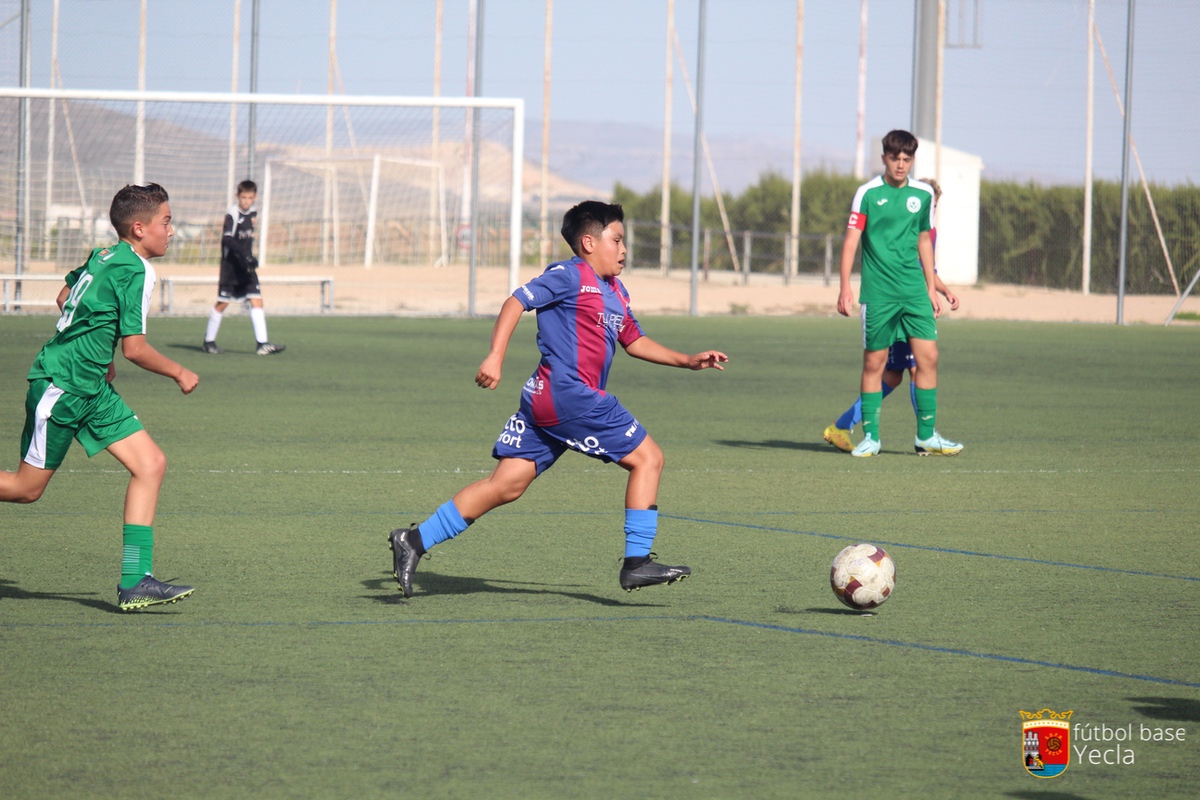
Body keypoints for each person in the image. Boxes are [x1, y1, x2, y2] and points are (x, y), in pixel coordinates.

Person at [387, 200, 728, 598]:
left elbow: (634, 340)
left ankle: (413, 541)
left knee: (506, 485)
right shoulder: (569, 275)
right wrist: (495, 356)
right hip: (571, 396)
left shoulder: (616, 291)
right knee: (649, 458)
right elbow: (517, 301)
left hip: (545, 400)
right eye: (616, 240)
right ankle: (637, 563)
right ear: (588, 242)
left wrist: (687, 361)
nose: (623, 249)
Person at [0, 183, 200, 611]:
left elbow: (64, 296)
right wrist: (179, 371)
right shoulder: (136, 269)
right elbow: (135, 349)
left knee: (150, 464)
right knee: (24, 490)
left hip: (90, 385)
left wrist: (95, 350)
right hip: (64, 387)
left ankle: (135, 580)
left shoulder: (105, 255)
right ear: (140, 228)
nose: (172, 230)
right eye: (166, 222)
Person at [835, 131, 963, 457]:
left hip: (914, 294)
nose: (901, 165)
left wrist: (932, 289)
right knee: (875, 363)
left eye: (907, 159)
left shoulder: (922, 195)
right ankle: (872, 438)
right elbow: (851, 241)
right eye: (895, 158)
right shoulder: (867, 194)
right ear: (884, 158)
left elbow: (924, 241)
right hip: (878, 294)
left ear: (912, 160)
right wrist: (845, 286)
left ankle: (926, 436)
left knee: (928, 358)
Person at [202, 179, 285, 355]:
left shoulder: (253, 213)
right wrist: (244, 254)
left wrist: (249, 257)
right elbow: (227, 239)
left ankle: (262, 344)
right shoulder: (232, 214)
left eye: (250, 197)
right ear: (237, 196)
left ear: (255, 197)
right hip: (231, 268)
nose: (246, 201)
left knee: (257, 300)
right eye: (243, 197)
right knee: (222, 303)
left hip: (246, 267)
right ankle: (209, 341)